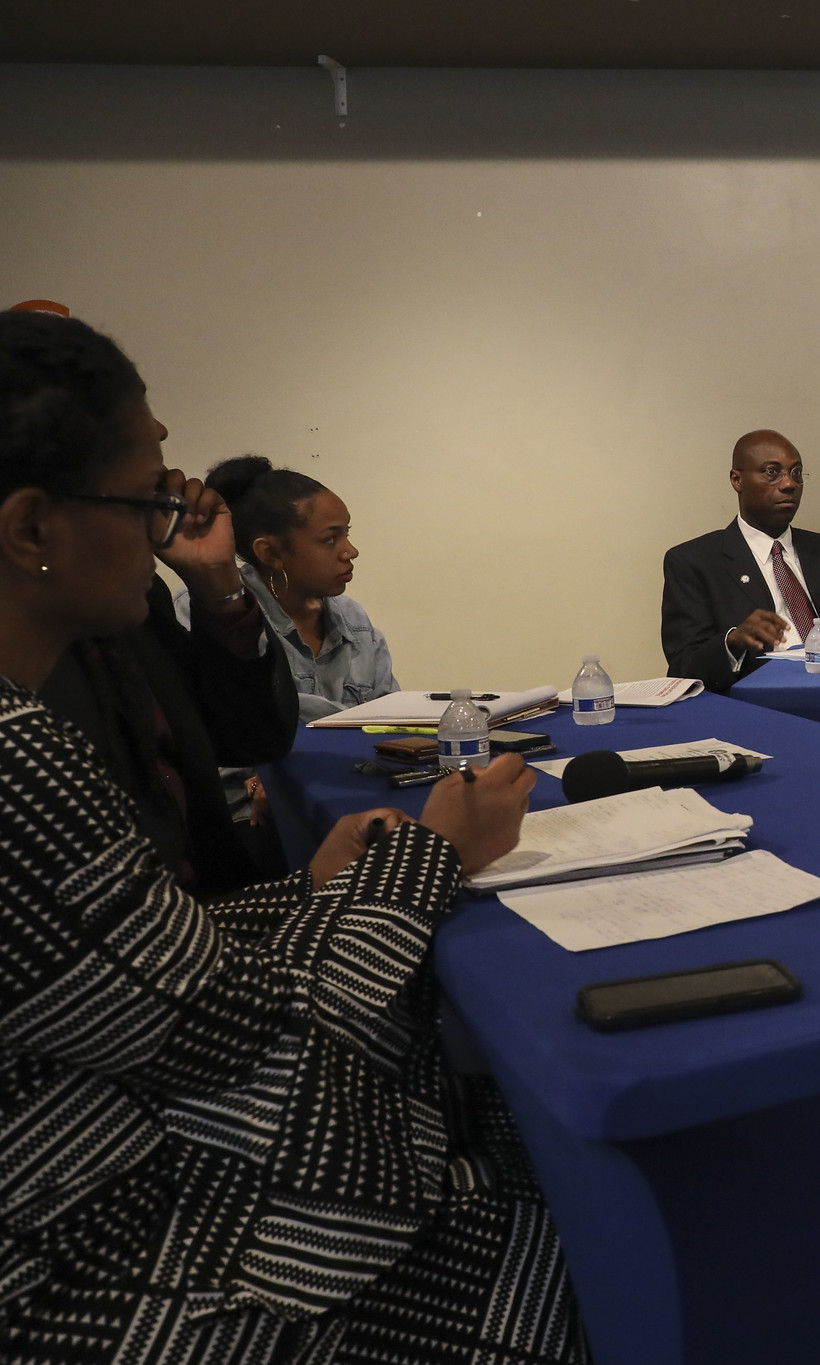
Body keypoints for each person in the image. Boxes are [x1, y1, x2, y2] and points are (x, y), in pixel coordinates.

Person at [0, 309, 586, 1364]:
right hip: (87, 1248)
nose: (164, 526)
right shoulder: (14, 757)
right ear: (32, 530)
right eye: (144, 499)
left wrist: (312, 888)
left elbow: (138, 955)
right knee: (557, 1218)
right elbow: (238, 1037)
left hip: (96, 1147)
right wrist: (431, 855)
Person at [10, 299, 297, 895]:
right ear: (32, 530)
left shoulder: (134, 603)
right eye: (142, 495)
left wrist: (217, 585)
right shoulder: (22, 742)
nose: (162, 431)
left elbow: (253, 738)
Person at [660, 429, 820, 690]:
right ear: (737, 480)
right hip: (759, 699)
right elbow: (683, 667)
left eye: (796, 473)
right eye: (772, 472)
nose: (789, 484)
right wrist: (732, 642)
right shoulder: (695, 562)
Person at [188, 454, 398, 721]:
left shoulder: (353, 618)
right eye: (330, 539)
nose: (351, 551)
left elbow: (394, 721)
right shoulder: (208, 610)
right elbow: (245, 715)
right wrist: (360, 719)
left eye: (347, 533)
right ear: (271, 552)